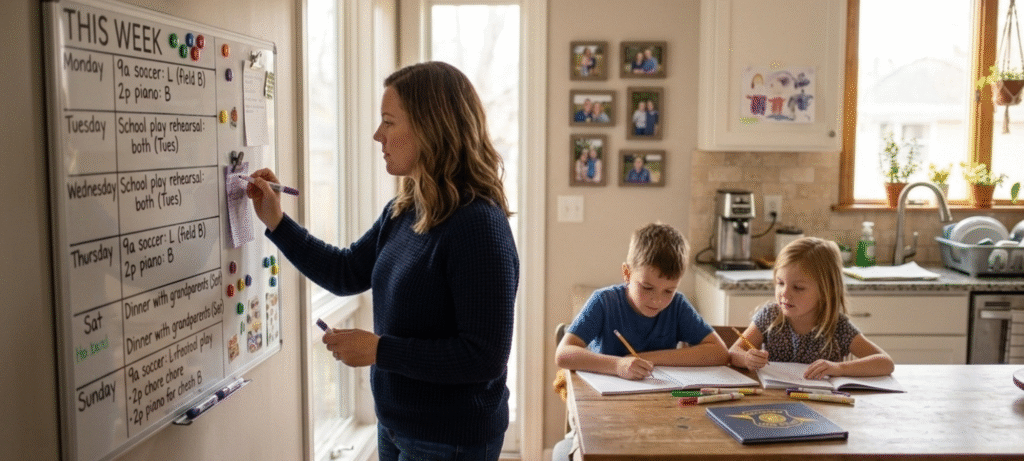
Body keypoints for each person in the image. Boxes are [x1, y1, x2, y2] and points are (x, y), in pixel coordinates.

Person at [245, 61, 519, 461]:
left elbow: (484, 356)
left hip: (450, 440)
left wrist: (380, 351)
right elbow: (345, 272)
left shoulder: (478, 225)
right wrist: (277, 221)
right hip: (395, 426)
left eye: (389, 122)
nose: (378, 135)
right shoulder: (404, 209)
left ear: (431, 129)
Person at [555, 223, 730, 380]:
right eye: (647, 287)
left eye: (669, 291)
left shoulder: (677, 306)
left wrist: (645, 358)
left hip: (660, 396)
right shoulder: (604, 302)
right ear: (627, 273)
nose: (657, 300)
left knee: (690, 401)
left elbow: (720, 353)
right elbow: (563, 354)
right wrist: (617, 365)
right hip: (605, 399)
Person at [729, 237, 895, 379]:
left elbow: (885, 363)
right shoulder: (770, 316)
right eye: (780, 283)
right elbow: (734, 352)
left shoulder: (837, 326)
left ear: (825, 291)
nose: (784, 293)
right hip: (776, 399)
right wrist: (747, 359)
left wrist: (839, 368)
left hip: (823, 402)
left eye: (798, 288)